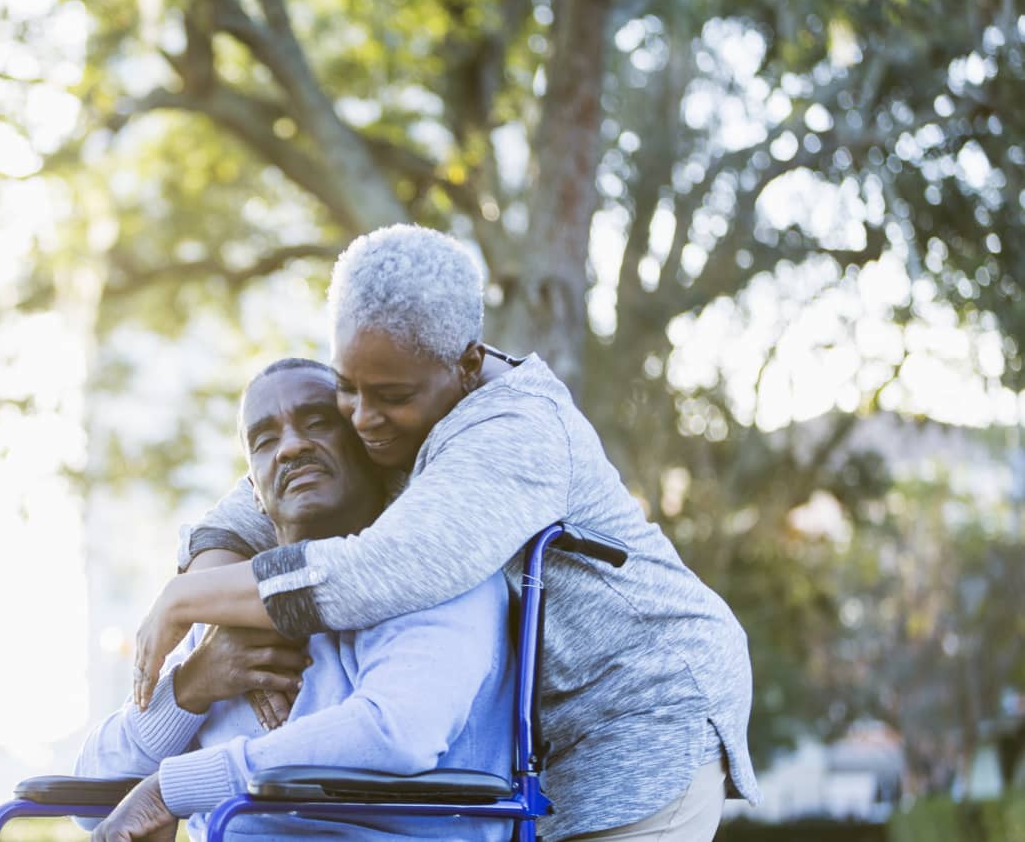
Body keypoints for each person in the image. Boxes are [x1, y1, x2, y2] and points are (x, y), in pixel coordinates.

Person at [133, 225, 762, 841]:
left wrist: (186, 602)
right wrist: (214, 607)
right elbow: (246, 506)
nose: (362, 419)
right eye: (346, 390)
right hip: (544, 731)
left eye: (389, 396)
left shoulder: (514, 432)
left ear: (466, 364)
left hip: (644, 703)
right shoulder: (396, 396)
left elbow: (379, 572)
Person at [78, 358, 515, 841]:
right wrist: (193, 686)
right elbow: (88, 798)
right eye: (265, 440)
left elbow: (398, 733)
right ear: (254, 497)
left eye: (317, 423)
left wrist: (171, 788)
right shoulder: (225, 608)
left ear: (372, 450)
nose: (291, 447)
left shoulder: (435, 564)